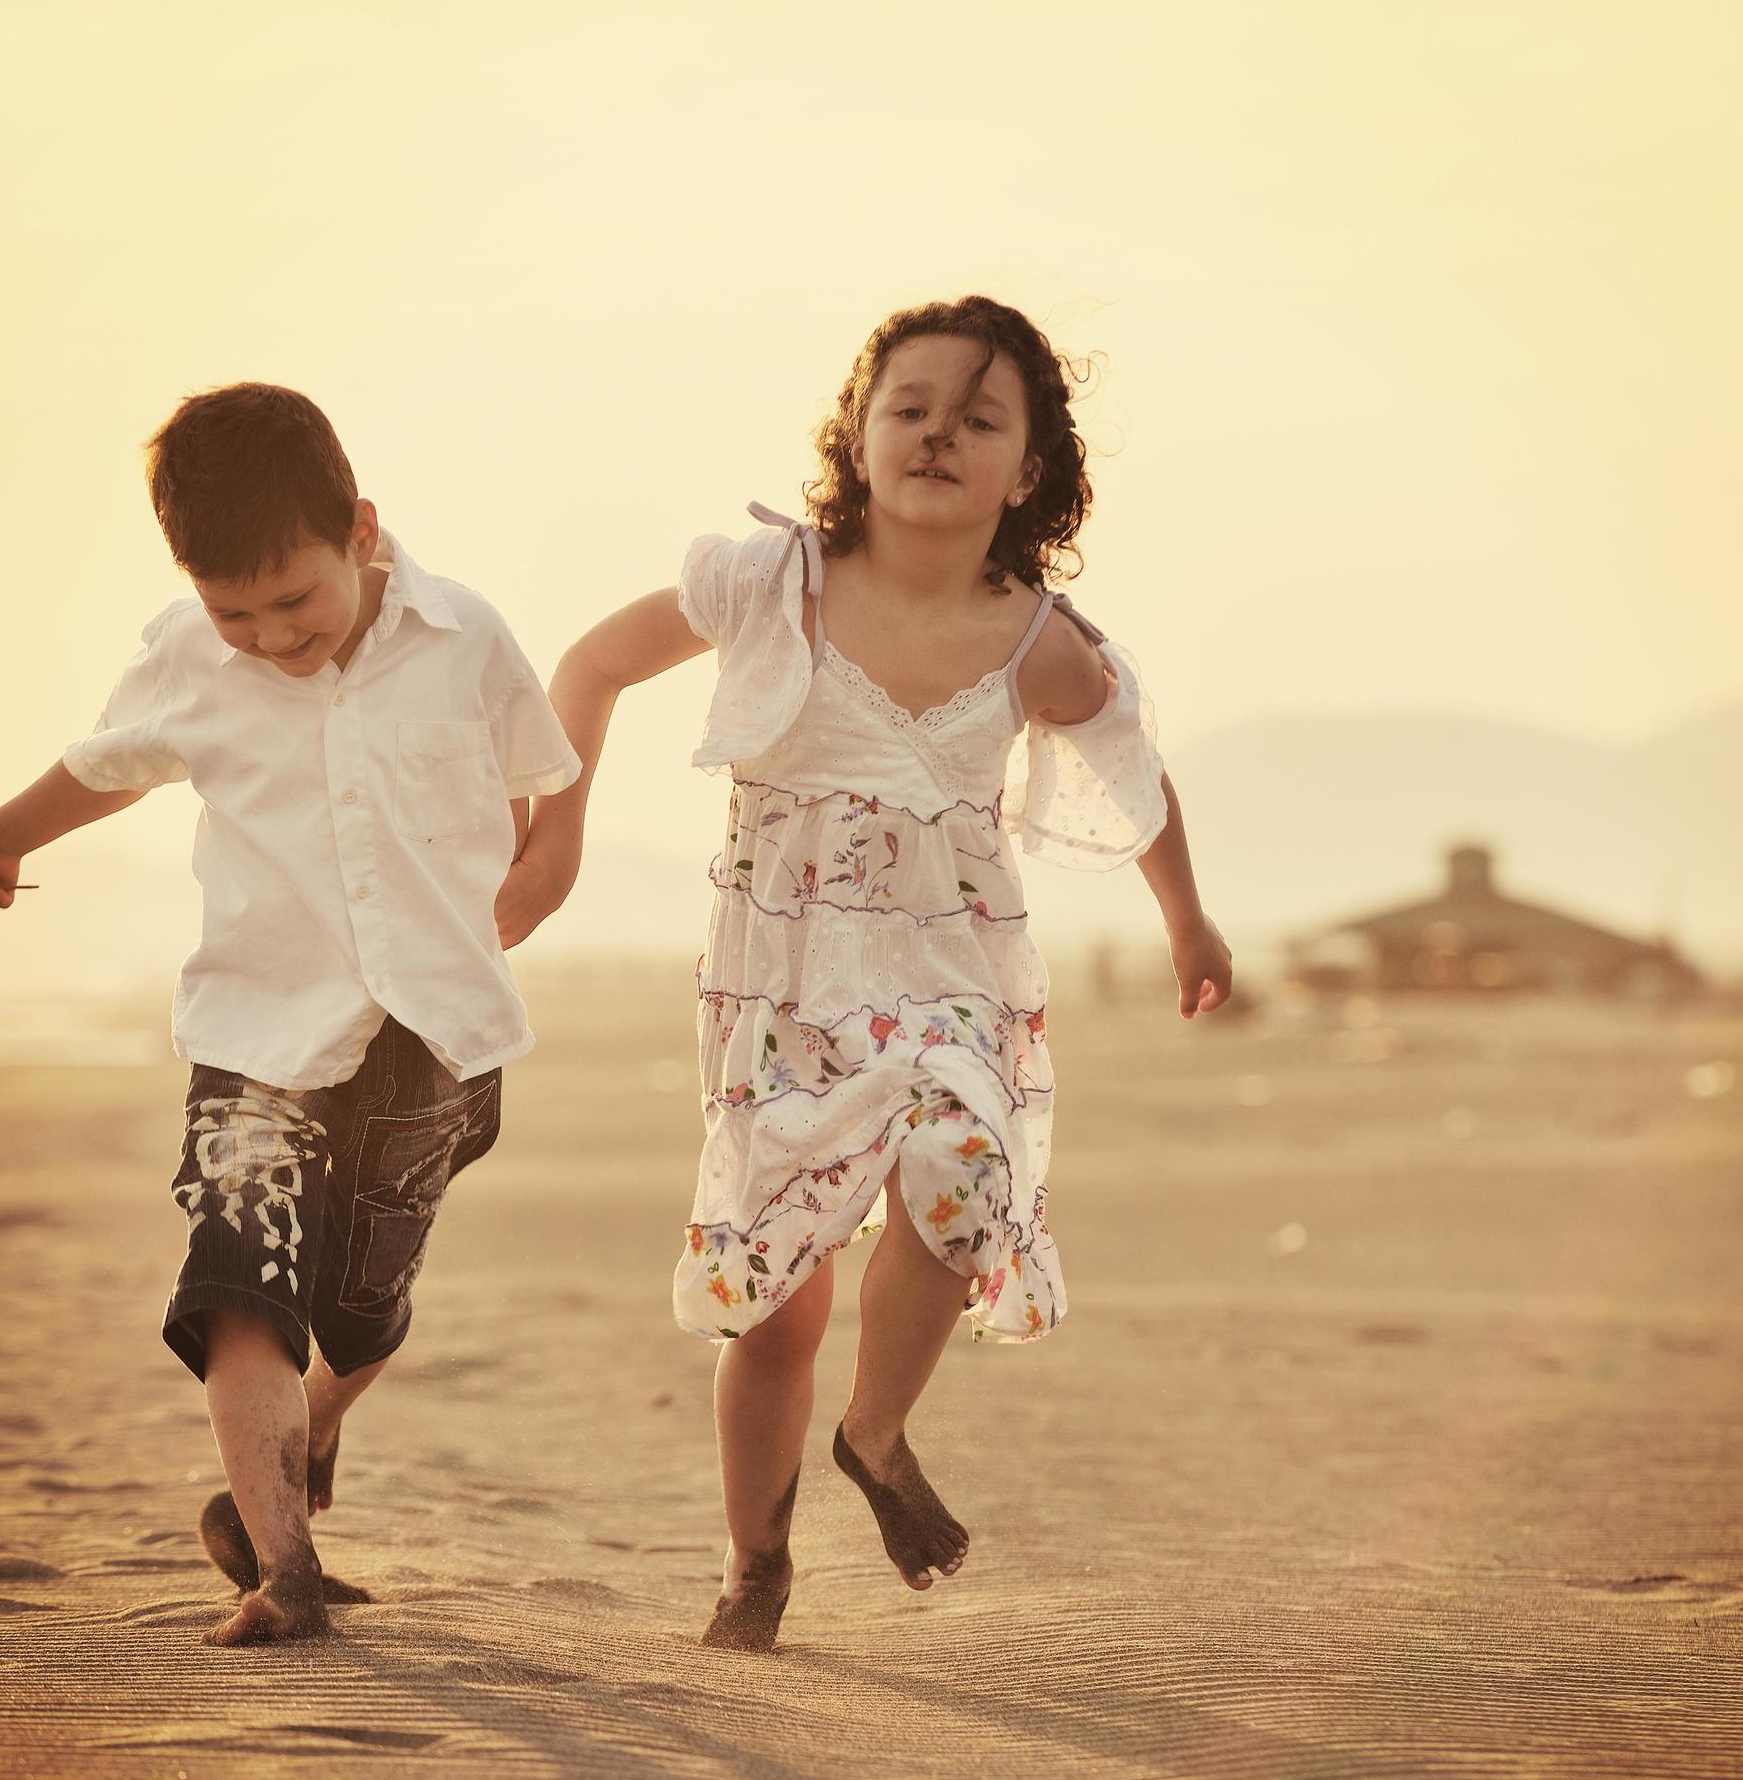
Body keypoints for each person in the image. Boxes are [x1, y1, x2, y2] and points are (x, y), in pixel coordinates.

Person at [502, 297, 1230, 1652]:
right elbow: (595, 663)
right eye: (912, 406)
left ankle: (876, 1430)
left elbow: (1137, 772)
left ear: (1030, 470)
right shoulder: (767, 587)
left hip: (953, 968)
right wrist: (554, 848)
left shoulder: (1036, 638)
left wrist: (1187, 922)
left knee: (965, 1168)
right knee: (778, 1301)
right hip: (781, 988)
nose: (941, 432)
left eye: (981, 416)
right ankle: (755, 1564)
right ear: (857, 432)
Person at [0, 382, 577, 1645]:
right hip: (256, 1037)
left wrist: (524, 890)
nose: (270, 637)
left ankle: (308, 1432)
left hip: (432, 1037)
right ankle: (288, 1569)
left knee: (367, 1308)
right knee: (240, 1281)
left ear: (361, 534)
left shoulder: (466, 637)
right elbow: (103, 765)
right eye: (236, 613)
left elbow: (539, 782)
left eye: (295, 602)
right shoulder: (186, 652)